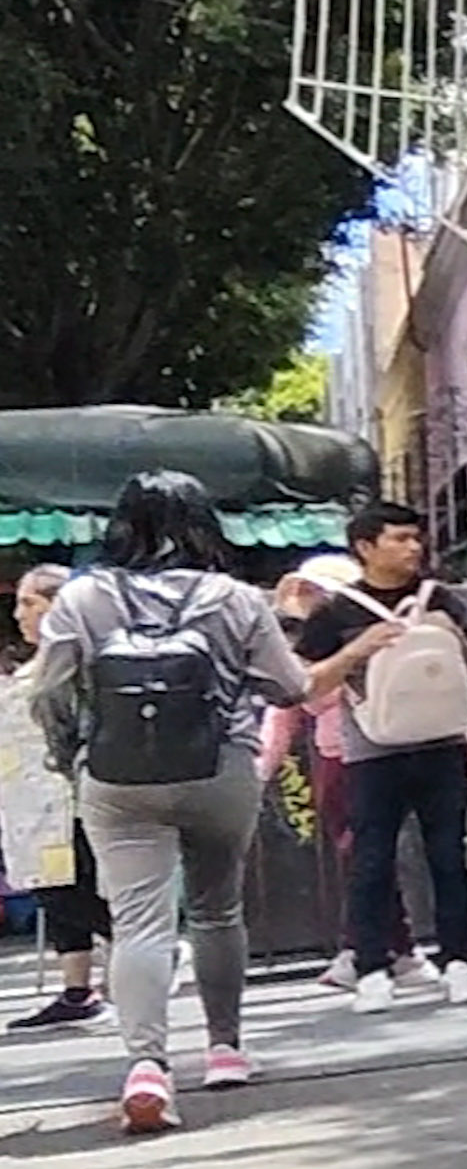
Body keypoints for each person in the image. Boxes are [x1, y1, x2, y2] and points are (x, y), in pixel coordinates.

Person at [26, 473, 308, 1132]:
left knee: (139, 923)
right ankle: (225, 1049)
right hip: (220, 767)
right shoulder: (234, 598)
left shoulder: (82, 596)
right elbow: (289, 686)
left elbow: (48, 693)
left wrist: (74, 754)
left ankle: (146, 1065)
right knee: (216, 909)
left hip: (117, 777)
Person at [295, 501, 467, 1015]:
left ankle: (459, 960)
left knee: (448, 854)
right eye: (399, 539)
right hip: (372, 750)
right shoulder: (337, 610)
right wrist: (357, 650)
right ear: (364, 547)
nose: (413, 548)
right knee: (371, 858)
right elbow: (305, 681)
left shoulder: (443, 598)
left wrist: (453, 637)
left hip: (444, 742)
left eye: (415, 538)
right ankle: (371, 967)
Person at [266, 554, 436, 997]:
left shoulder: (360, 638)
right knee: (358, 855)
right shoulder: (310, 649)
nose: (306, 600)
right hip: (332, 756)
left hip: (365, 751)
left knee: (363, 854)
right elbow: (284, 708)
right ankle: (387, 946)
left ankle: (371, 946)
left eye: (315, 591)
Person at [2, 565, 108, 1032]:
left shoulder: (79, 663)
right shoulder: (35, 666)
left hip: (69, 796)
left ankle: (141, 945)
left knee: (75, 886)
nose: (19, 613)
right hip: (27, 799)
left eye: (31, 603)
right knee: (50, 887)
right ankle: (77, 988)